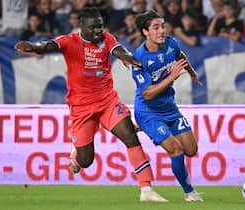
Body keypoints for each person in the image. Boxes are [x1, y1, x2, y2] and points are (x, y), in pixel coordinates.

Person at [14, 7, 167, 202]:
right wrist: (33, 47)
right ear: (81, 27)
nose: (98, 31)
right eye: (93, 27)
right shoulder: (70, 41)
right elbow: (48, 45)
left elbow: (119, 50)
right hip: (81, 107)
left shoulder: (106, 38)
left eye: (100, 26)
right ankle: (76, 154)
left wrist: (127, 58)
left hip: (107, 101)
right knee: (86, 162)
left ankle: (146, 189)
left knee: (129, 135)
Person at [132, 10, 204, 202]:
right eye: (156, 27)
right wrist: (171, 77)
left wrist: (192, 72)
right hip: (148, 112)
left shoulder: (171, 44)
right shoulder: (139, 58)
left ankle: (143, 128)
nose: (162, 30)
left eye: (162, 26)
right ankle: (189, 192)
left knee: (191, 149)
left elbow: (180, 56)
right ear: (145, 31)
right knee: (176, 149)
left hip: (170, 109)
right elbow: (147, 93)